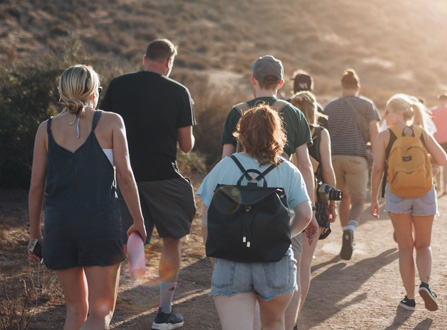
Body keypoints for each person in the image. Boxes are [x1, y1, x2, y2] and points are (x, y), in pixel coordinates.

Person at [28, 65, 147, 329]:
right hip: (100, 225)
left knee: (74, 310)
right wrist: (138, 221)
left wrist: (35, 231)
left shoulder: (45, 129)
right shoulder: (112, 122)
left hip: (59, 227)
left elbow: (36, 186)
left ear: (62, 91)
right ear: (94, 92)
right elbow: (125, 178)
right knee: (100, 313)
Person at [100, 39, 196, 330]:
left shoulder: (118, 85)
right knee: (172, 239)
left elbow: (102, 129)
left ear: (145, 59)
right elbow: (187, 145)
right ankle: (164, 314)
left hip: (125, 176)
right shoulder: (179, 91)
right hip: (162, 176)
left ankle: (103, 310)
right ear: (169, 62)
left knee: (132, 230)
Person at [220, 55, 318, 330]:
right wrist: (308, 210)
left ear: (254, 80)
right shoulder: (295, 114)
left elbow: (225, 161)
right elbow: (305, 166)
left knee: (244, 271)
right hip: (283, 204)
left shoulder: (236, 111)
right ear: (281, 82)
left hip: (241, 205)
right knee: (290, 271)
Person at [197, 104, 314, 330]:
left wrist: (216, 259)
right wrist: (280, 236)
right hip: (275, 261)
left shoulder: (223, 167)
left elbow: (206, 223)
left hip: (231, 259)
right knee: (273, 323)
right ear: (276, 133)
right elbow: (305, 214)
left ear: (242, 134)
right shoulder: (288, 170)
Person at [370, 94, 447, 311]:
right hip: (424, 190)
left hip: (397, 192)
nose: (385, 116)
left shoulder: (384, 136)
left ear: (397, 113)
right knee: (423, 245)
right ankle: (425, 284)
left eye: (387, 111)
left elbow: (377, 169)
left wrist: (375, 198)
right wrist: (423, 158)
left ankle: (410, 298)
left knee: (405, 247)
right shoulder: (422, 133)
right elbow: (442, 160)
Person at [288, 91, 337, 327]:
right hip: (312, 200)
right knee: (304, 264)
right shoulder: (320, 133)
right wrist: (332, 202)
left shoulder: (284, 129)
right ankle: (293, 318)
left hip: (284, 199)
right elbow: (326, 169)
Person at [324, 68, 380, 260]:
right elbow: (374, 132)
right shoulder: (367, 105)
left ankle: (345, 233)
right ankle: (350, 231)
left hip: (334, 159)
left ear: (341, 86)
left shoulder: (329, 107)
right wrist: (375, 154)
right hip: (357, 157)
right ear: (358, 87)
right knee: (357, 201)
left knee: (343, 198)